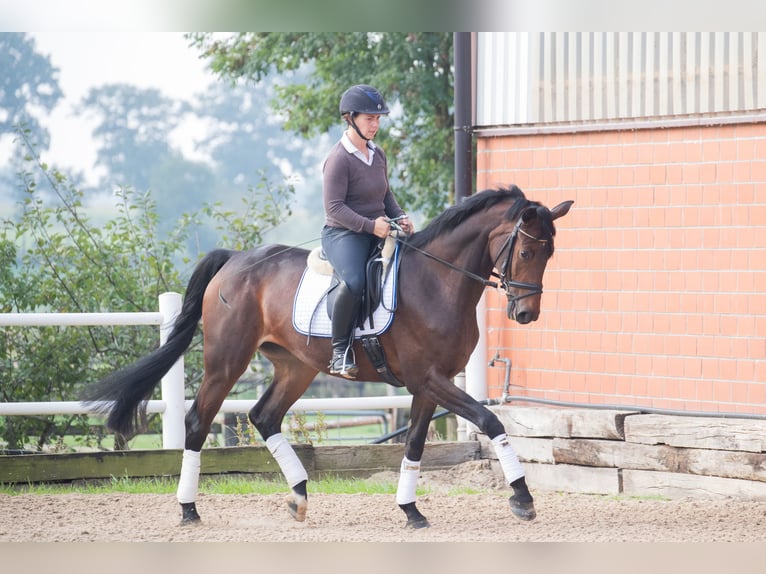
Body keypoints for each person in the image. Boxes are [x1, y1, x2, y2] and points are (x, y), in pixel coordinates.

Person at [321, 84, 413, 379]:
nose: (375, 125)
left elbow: (385, 195)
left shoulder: (378, 154)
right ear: (350, 119)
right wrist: (370, 225)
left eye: (378, 119)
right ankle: (340, 352)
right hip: (344, 234)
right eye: (369, 119)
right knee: (355, 282)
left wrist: (399, 215)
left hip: (378, 229)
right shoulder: (338, 159)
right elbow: (334, 208)